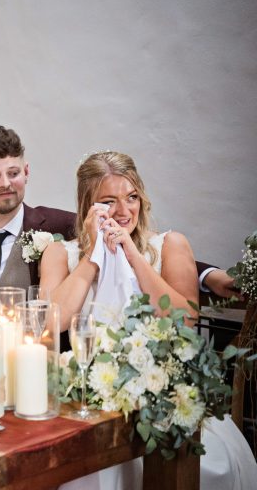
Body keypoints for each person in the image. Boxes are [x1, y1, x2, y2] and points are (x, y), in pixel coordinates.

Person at [40, 150, 257, 490]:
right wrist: (92, 257)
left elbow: (183, 321)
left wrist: (131, 254)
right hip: (86, 397)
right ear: (87, 206)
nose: (124, 211)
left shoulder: (170, 245)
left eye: (132, 197)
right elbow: (50, 322)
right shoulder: (59, 254)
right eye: (109, 201)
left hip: (161, 395)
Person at [0, 126, 235, 327]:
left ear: (26, 173)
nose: (6, 183)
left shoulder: (60, 225)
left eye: (13, 172)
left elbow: (140, 240)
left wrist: (209, 276)